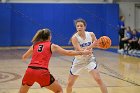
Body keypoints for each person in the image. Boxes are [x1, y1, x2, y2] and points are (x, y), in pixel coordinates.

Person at [19, 28, 92, 93]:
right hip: (42, 71)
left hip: (30, 71)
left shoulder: (34, 45)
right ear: (49, 37)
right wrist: (83, 52)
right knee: (59, 90)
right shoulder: (52, 45)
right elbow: (68, 52)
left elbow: (24, 57)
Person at [66, 18, 108, 93]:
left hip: (89, 60)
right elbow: (81, 51)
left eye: (81, 26)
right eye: (77, 26)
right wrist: (91, 46)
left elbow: (96, 44)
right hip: (79, 61)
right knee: (70, 83)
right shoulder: (74, 38)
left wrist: (102, 45)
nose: (79, 27)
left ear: (85, 27)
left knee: (98, 79)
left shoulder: (91, 34)